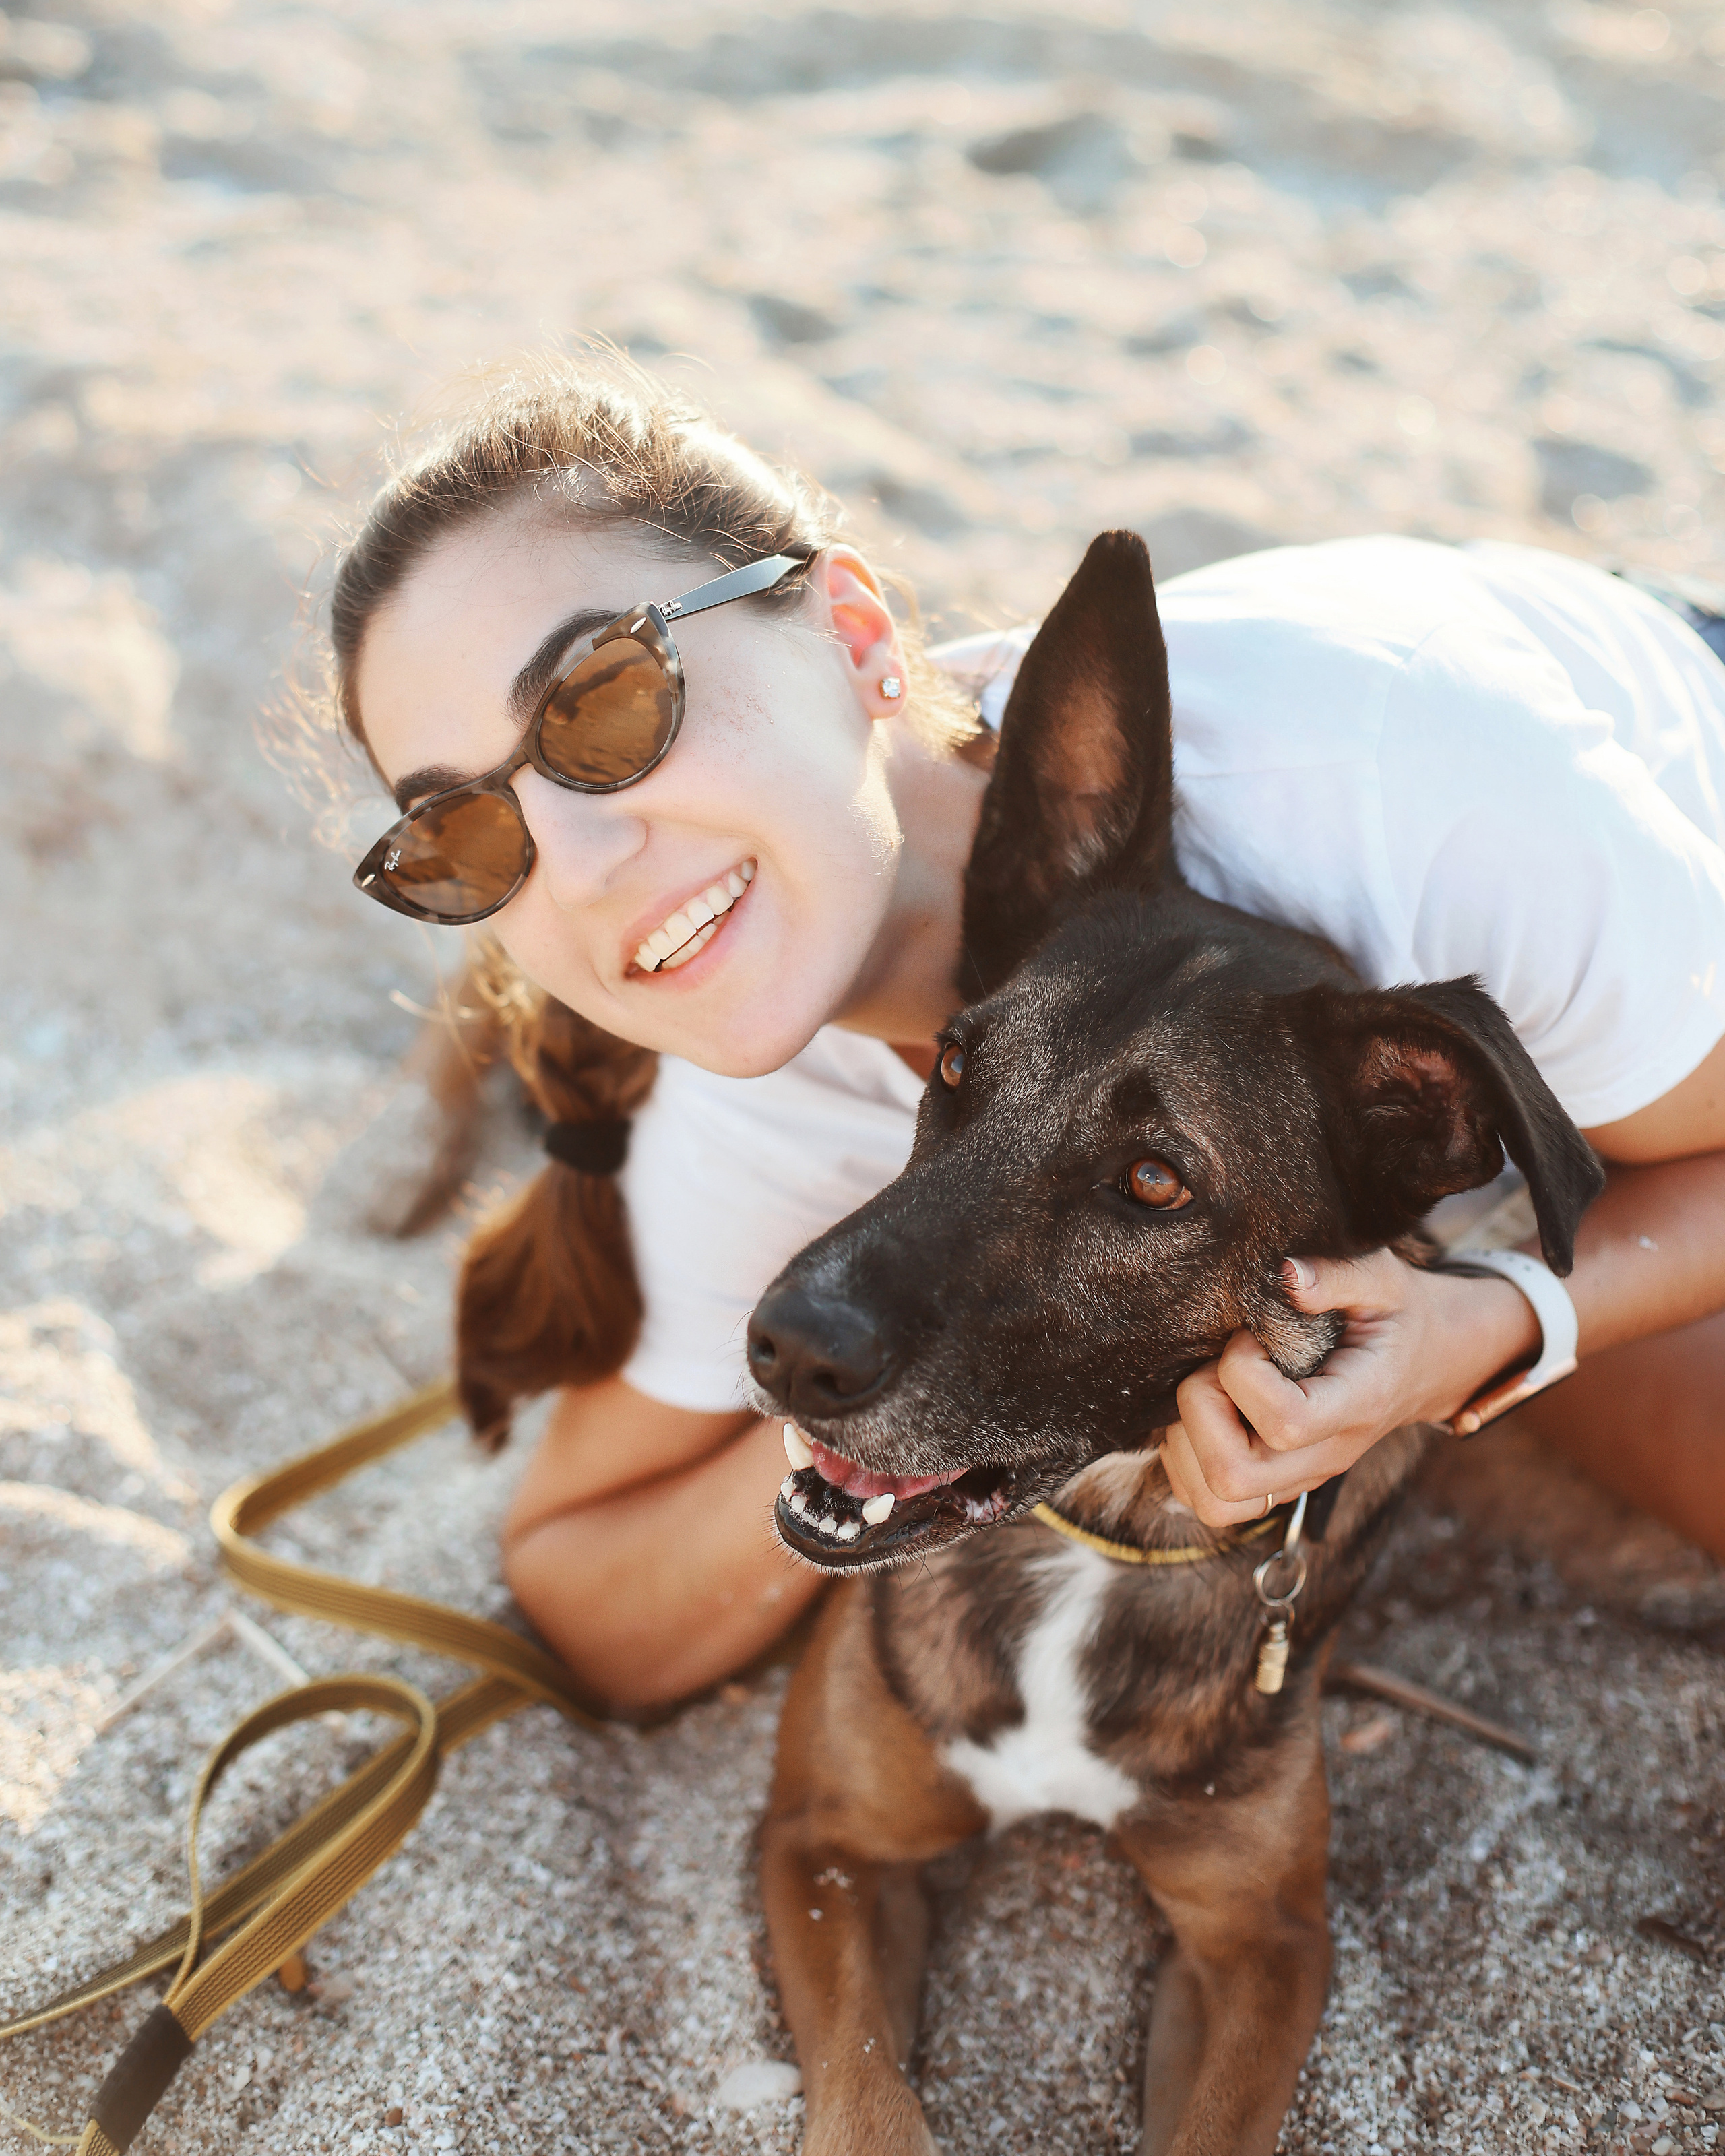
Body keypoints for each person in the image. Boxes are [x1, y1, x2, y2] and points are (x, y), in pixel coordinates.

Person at [321, 356, 1725, 1712]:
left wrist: (1494, 1323)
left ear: (855, 635)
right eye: (463, 832)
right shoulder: (771, 1070)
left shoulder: (1404, 799)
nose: (576, 862)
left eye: (607, 704)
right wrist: (868, 1422)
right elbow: (592, 1593)